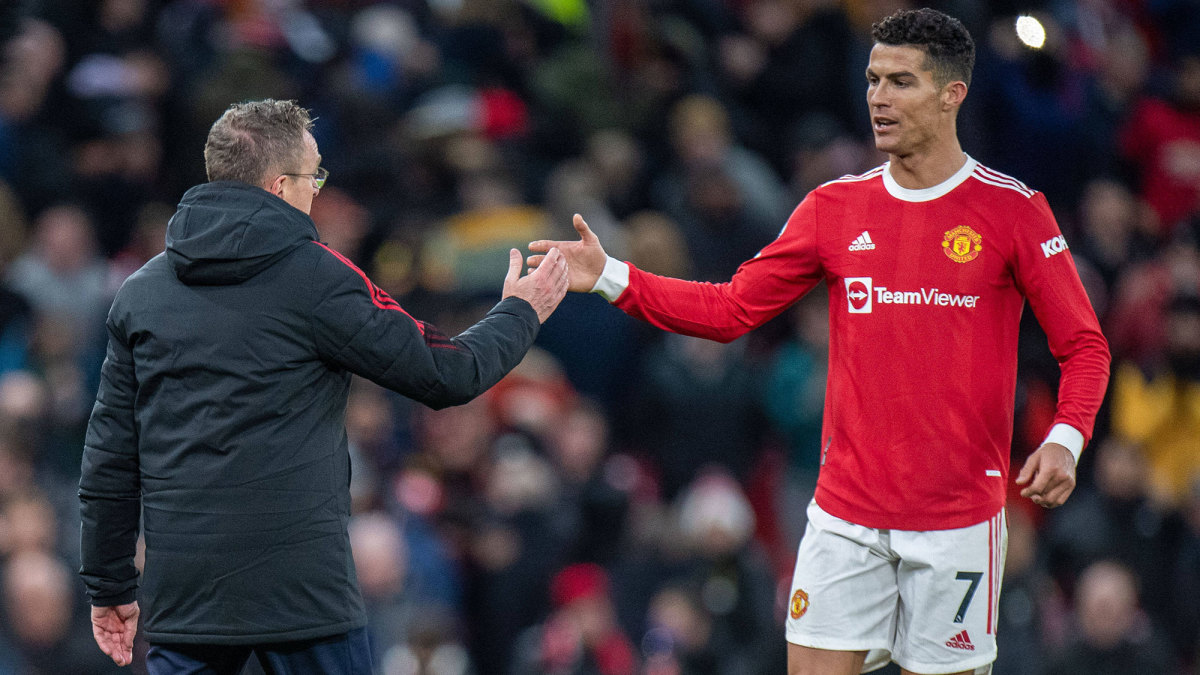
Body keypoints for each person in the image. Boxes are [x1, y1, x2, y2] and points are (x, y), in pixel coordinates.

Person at [529, 8, 1110, 675]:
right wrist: (607, 274)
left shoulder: (1011, 211)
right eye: (871, 80)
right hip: (846, 517)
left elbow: (1084, 345)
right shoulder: (834, 209)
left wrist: (1067, 437)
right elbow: (729, 309)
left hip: (957, 521)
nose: (878, 98)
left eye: (901, 81)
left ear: (953, 93)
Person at [78, 98, 569, 674]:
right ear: (281, 185)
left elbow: (110, 456)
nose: (318, 191)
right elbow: (448, 372)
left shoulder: (141, 293)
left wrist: (109, 584)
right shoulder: (318, 277)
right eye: (315, 176)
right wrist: (521, 311)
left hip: (187, 600)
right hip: (303, 598)